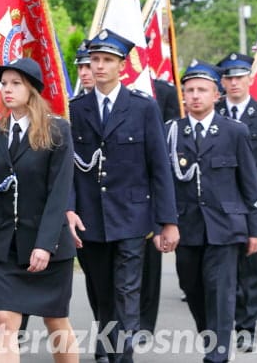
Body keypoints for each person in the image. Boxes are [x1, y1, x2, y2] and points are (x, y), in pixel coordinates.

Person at [67, 29, 179, 363]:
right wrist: (69, 210)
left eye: (107, 61)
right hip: (90, 217)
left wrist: (167, 221)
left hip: (132, 217)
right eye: (95, 59)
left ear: (122, 67)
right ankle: (109, 345)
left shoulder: (142, 108)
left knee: (126, 289)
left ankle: (122, 355)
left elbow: (159, 167)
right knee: (101, 291)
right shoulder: (76, 109)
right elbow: (69, 171)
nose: (99, 66)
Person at [166, 60, 257, 363]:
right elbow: (164, 182)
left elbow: (249, 183)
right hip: (187, 226)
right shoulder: (171, 132)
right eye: (190, 90)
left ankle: (218, 353)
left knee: (221, 291)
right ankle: (214, 337)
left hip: (226, 226)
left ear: (215, 95)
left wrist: (255, 229)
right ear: (183, 95)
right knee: (192, 289)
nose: (195, 96)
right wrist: (164, 224)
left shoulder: (234, 132)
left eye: (202, 90)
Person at [0, 58, 78, 363]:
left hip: (46, 245)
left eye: (15, 83)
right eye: (4, 84)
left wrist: (44, 245)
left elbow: (58, 193)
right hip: (4, 248)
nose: (7, 89)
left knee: (55, 322)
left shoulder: (57, 130)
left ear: (32, 89)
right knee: (4, 322)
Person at [215, 52, 257, 352]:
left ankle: (248, 326)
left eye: (239, 77)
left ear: (249, 79)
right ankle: (229, 320)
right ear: (222, 82)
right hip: (221, 202)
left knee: (255, 268)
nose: (234, 83)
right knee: (225, 267)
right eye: (229, 78)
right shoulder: (214, 113)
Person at [139, 75, 183, 339]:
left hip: (145, 194)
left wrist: (165, 218)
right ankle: (111, 325)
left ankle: (142, 323)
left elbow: (165, 148)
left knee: (148, 265)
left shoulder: (160, 92)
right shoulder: (81, 102)